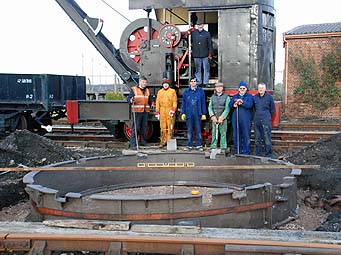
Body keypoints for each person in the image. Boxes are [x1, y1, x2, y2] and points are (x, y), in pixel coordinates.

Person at [181, 76, 207, 151]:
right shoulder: (186, 92)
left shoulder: (201, 91)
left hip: (198, 113)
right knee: (189, 130)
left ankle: (199, 145)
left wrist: (203, 113)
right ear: (189, 83)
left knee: (198, 130)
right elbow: (184, 103)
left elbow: (203, 103)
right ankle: (189, 145)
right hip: (189, 113)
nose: (193, 83)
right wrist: (183, 112)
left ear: (196, 82)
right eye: (191, 81)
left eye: (194, 81)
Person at [228, 81, 254, 155]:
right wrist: (234, 104)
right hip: (236, 119)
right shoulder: (235, 96)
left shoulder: (249, 96)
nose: (242, 89)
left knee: (246, 135)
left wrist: (242, 103)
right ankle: (237, 151)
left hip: (246, 120)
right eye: (241, 88)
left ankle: (246, 152)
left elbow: (250, 105)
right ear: (238, 89)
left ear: (246, 89)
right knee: (236, 135)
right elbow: (230, 105)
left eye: (244, 88)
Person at [127, 76, 152, 150]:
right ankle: (133, 144)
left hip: (145, 111)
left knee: (144, 127)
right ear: (140, 82)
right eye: (143, 82)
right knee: (136, 128)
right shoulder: (134, 89)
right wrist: (131, 100)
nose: (145, 84)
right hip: (137, 111)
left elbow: (149, 100)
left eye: (146, 82)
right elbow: (128, 99)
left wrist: (152, 102)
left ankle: (143, 141)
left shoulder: (147, 90)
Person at [253, 82, 276, 158]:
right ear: (258, 89)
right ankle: (258, 154)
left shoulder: (269, 97)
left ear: (265, 89)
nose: (261, 89)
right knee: (257, 138)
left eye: (262, 88)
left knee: (267, 137)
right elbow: (253, 109)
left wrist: (267, 117)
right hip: (257, 121)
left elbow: (273, 110)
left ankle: (268, 154)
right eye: (259, 88)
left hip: (266, 120)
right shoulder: (255, 97)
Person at [155, 78, 178, 147]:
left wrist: (173, 109)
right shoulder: (160, 92)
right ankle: (163, 141)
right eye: (164, 84)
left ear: (168, 85)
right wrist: (157, 112)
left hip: (169, 110)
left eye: (167, 84)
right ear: (162, 85)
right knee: (162, 127)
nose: (165, 85)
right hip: (162, 110)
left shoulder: (172, 91)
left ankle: (169, 141)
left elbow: (175, 101)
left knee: (170, 126)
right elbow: (157, 102)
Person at [208, 82, 231, 152]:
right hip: (214, 118)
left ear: (222, 88)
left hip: (223, 119)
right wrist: (212, 116)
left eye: (220, 87)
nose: (218, 88)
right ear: (215, 88)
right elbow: (210, 107)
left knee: (223, 133)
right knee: (214, 132)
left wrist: (222, 117)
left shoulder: (227, 97)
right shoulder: (212, 97)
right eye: (217, 87)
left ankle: (223, 147)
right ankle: (213, 146)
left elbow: (227, 108)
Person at [190, 20, 213, 86]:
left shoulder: (207, 33)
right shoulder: (193, 33)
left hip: (205, 54)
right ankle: (199, 82)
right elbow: (190, 42)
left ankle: (206, 82)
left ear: (203, 25)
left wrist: (210, 53)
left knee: (206, 69)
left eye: (201, 24)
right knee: (197, 69)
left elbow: (210, 44)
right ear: (197, 25)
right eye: (198, 24)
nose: (200, 25)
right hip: (196, 54)